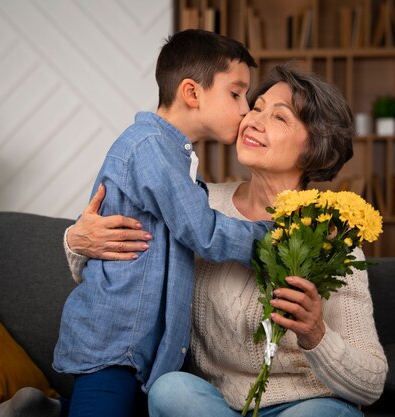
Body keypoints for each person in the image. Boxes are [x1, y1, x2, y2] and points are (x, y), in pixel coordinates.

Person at [65, 64, 388, 417]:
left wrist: (316, 334)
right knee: (170, 389)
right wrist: (75, 240)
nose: (253, 120)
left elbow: (371, 384)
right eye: (256, 106)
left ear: (315, 147)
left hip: (306, 404)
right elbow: (131, 275)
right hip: (215, 406)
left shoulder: (329, 236)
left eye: (279, 118)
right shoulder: (198, 204)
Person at [52, 29, 273, 417]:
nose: (245, 109)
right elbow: (202, 232)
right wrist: (276, 237)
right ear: (192, 93)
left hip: (144, 349)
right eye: (236, 93)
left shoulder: (173, 154)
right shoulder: (149, 147)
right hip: (113, 341)